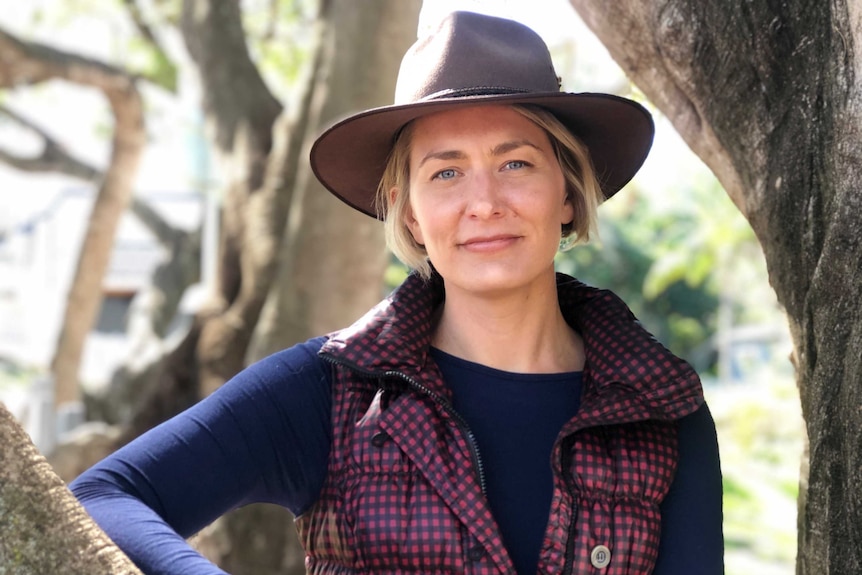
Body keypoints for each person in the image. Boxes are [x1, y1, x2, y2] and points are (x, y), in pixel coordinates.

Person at [71, 10, 724, 575]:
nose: (484, 203)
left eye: (516, 163)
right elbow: (106, 499)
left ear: (568, 192)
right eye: (445, 173)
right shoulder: (328, 391)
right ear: (408, 213)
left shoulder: (662, 408)